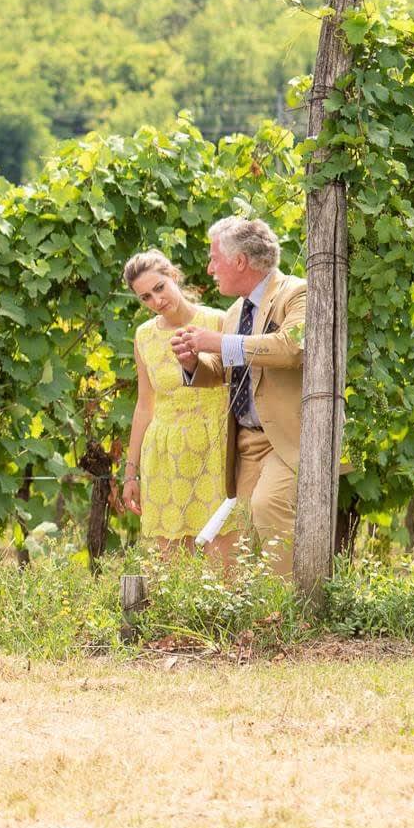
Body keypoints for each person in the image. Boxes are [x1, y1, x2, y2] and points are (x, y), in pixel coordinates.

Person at [172, 217, 306, 575]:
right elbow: (223, 368)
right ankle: (253, 615)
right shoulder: (236, 312)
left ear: (240, 261)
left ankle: (292, 613)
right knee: (243, 531)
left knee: (269, 507)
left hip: (287, 439)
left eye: (214, 258)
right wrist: (192, 363)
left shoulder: (296, 293)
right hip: (246, 443)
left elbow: (292, 348)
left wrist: (218, 342)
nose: (209, 268)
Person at [121, 251, 233, 558]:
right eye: (145, 297)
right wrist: (131, 473)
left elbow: (236, 386)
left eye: (159, 287)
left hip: (214, 451)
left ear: (173, 275)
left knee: (223, 564)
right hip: (165, 454)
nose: (156, 300)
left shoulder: (218, 321)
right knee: (168, 569)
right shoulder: (144, 336)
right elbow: (145, 405)